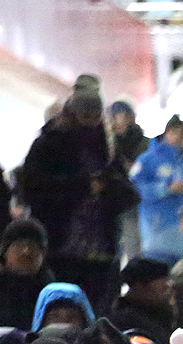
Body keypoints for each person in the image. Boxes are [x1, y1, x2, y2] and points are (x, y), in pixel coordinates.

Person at [17, 88, 138, 311]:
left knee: (94, 312)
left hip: (100, 252)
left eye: (95, 117)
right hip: (60, 249)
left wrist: (107, 188)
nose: (90, 123)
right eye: (85, 116)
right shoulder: (49, 145)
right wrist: (82, 186)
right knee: (59, 309)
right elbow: (33, 191)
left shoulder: (107, 147)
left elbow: (129, 194)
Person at [131, 115, 183, 265]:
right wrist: (165, 189)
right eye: (175, 132)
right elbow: (134, 191)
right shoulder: (148, 161)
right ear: (167, 133)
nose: (179, 137)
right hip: (155, 240)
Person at [109, 256, 176, 344]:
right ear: (139, 287)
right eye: (163, 288)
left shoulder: (160, 314)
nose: (169, 292)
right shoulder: (125, 322)